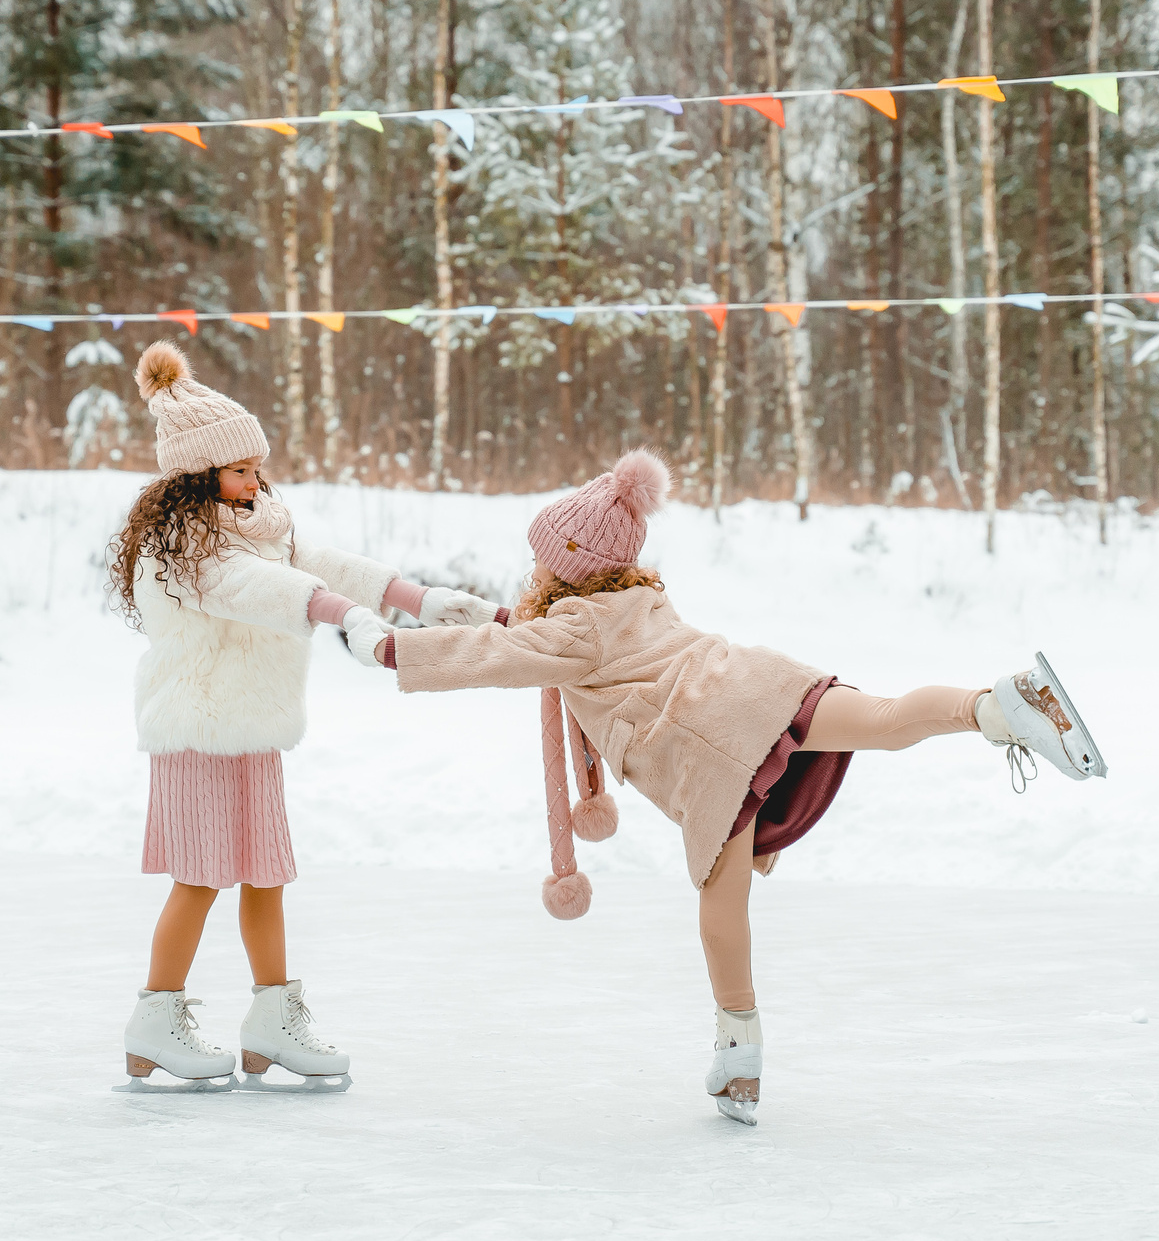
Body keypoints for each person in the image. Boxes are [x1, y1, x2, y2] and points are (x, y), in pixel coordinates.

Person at [351, 449, 1104, 1124]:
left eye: (543, 558)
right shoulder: (645, 597)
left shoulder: (573, 632)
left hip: (710, 750)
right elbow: (527, 635)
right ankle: (997, 706)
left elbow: (495, 653)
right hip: (760, 682)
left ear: (565, 565)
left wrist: (396, 651)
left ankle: (740, 1056)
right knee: (886, 717)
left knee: (722, 906)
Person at [108, 341, 496, 1085]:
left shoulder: (257, 525)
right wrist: (344, 615)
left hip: (254, 726)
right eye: (239, 470)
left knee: (266, 875)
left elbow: (318, 564)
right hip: (198, 728)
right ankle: (154, 1019)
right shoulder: (183, 549)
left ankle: (272, 1019)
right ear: (196, 476)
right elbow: (259, 587)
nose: (254, 481)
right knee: (199, 878)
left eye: (257, 467)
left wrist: (417, 598)